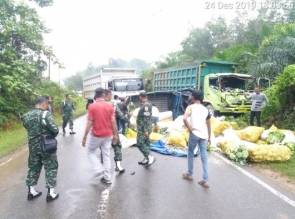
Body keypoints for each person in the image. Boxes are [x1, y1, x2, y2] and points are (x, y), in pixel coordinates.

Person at [22, 97, 59, 202]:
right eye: (46, 104)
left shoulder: (26, 116)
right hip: (46, 146)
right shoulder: (45, 114)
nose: (47, 106)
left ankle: (31, 192)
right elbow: (55, 130)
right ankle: (50, 194)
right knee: (51, 167)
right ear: (43, 104)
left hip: (33, 146)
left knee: (34, 167)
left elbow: (28, 128)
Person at [82, 88, 118, 184]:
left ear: (96, 95)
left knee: (90, 151)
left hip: (97, 135)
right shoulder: (109, 106)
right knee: (106, 155)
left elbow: (89, 123)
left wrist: (85, 137)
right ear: (103, 95)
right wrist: (115, 135)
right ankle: (107, 177)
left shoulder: (92, 107)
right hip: (108, 135)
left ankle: (98, 169)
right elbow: (113, 121)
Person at [182, 90, 211, 188]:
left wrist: (189, 128)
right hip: (203, 135)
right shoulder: (206, 109)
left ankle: (190, 174)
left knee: (190, 153)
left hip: (194, 133)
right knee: (204, 158)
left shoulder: (190, 107)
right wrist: (209, 137)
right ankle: (205, 181)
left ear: (193, 97)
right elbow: (209, 125)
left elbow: (184, 118)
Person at [105, 90, 129, 173]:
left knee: (104, 151)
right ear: (108, 95)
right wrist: (129, 121)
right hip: (112, 130)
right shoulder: (113, 105)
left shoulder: (97, 105)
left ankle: (104, 170)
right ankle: (118, 166)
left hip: (102, 132)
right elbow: (121, 116)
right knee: (117, 146)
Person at [137, 91, 156, 166]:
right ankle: (146, 158)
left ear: (140, 97)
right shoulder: (145, 104)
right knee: (146, 143)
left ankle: (149, 156)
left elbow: (146, 118)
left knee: (140, 143)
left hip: (144, 129)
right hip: (144, 128)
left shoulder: (146, 105)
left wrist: (145, 130)